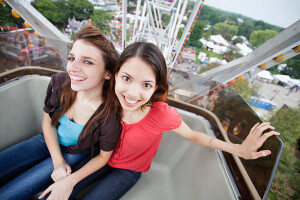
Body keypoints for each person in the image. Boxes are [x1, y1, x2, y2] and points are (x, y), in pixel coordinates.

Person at [49, 42, 279, 200]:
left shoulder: (161, 114)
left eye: (146, 85)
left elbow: (194, 135)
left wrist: (237, 148)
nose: (132, 93)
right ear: (116, 75)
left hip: (128, 171)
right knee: (56, 190)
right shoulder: (108, 98)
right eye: (127, 78)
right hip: (98, 157)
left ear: (156, 88)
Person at [0, 24, 121, 199]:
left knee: (12, 193)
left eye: (87, 61)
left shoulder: (109, 114)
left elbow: (104, 157)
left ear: (108, 73)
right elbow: (48, 122)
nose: (73, 68)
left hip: (77, 152)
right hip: (46, 139)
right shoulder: (60, 83)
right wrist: (57, 162)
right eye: (72, 58)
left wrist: (65, 169)